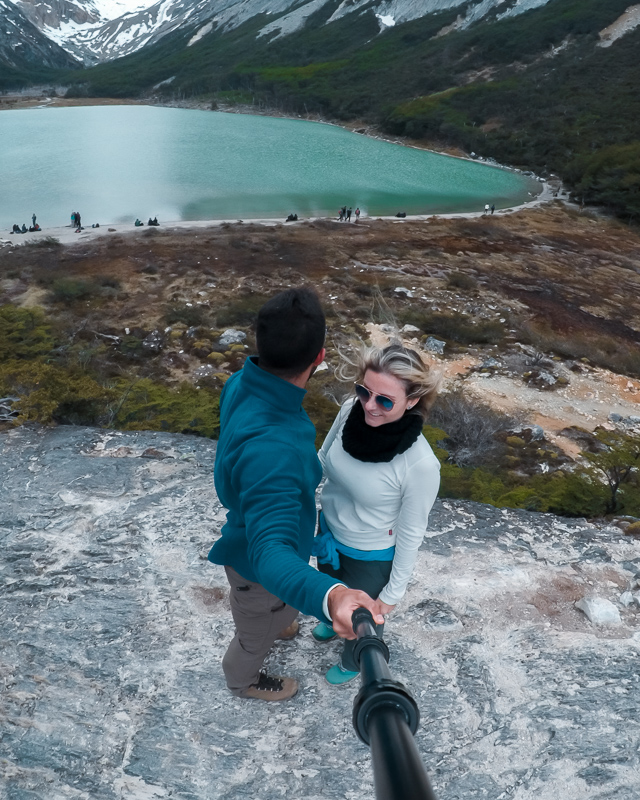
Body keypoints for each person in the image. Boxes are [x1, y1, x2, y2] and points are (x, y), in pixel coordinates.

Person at [208, 288, 383, 702]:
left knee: (273, 610)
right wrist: (332, 594)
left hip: (248, 529)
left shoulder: (240, 382)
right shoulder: (277, 448)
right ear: (319, 357)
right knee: (254, 636)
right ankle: (243, 680)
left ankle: (280, 617)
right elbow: (271, 554)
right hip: (254, 566)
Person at [312, 341, 441, 685]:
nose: (370, 406)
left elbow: (412, 532)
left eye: (385, 400)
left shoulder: (419, 465)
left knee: (363, 623)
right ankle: (329, 613)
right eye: (364, 391)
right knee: (329, 585)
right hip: (328, 534)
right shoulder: (349, 410)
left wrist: (392, 595)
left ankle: (355, 661)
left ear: (412, 401)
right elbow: (323, 458)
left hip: (369, 557)